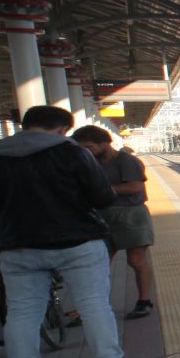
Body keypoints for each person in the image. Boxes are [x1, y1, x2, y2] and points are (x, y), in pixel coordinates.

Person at [0, 106, 138, 358]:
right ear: (61, 129)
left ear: (25, 125)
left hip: (17, 246)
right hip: (77, 241)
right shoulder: (71, 152)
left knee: (21, 313)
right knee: (94, 304)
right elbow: (102, 196)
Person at [70, 126, 155, 319]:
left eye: (89, 147)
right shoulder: (88, 162)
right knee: (99, 263)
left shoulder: (128, 161)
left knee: (136, 260)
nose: (85, 151)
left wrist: (102, 190)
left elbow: (135, 187)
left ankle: (144, 301)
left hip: (131, 215)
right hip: (100, 216)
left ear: (104, 143)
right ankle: (95, 306)